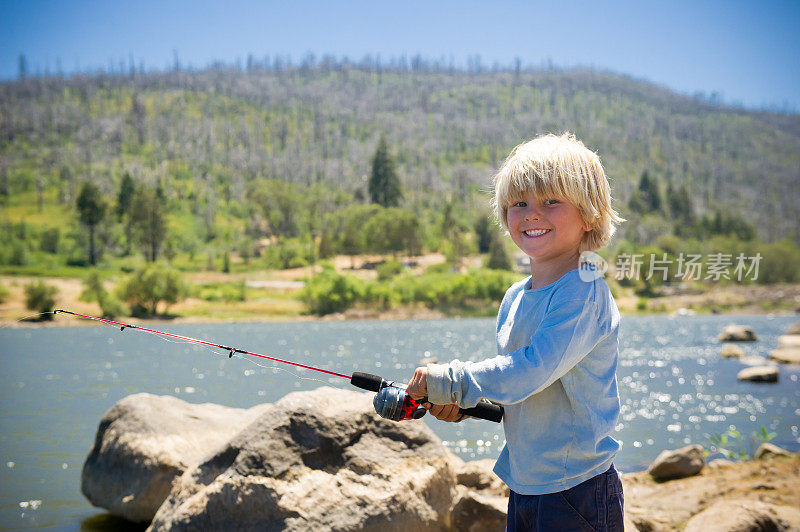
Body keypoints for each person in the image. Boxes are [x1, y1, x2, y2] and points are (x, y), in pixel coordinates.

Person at [406, 133, 626, 531]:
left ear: (590, 214)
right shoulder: (515, 297)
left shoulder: (585, 288)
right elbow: (517, 392)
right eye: (518, 204)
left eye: (551, 202)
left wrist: (454, 380)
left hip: (578, 492)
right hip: (525, 486)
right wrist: (463, 406)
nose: (531, 214)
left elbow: (529, 371)